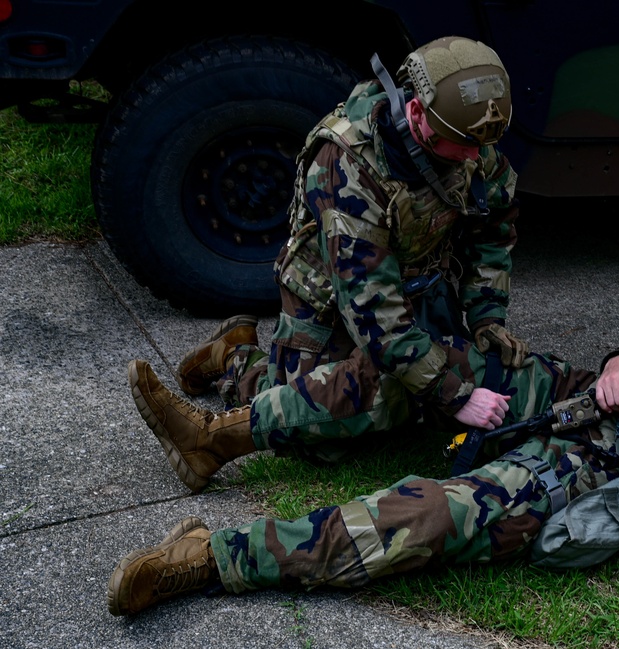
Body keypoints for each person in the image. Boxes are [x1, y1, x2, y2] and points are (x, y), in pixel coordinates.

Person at [108, 318, 619, 616]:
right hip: (591, 398)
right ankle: (232, 406)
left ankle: (208, 558)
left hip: (598, 468)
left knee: (423, 517)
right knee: (439, 368)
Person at [129, 35, 529, 494]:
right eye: (459, 146)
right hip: (331, 299)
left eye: (482, 146)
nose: (475, 159)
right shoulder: (348, 164)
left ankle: (252, 362)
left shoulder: (470, 136)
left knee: (403, 402)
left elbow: (493, 229)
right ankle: (237, 357)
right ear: (416, 113)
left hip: (419, 284)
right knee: (318, 439)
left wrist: (486, 316)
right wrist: (452, 391)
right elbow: (370, 306)